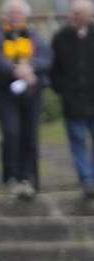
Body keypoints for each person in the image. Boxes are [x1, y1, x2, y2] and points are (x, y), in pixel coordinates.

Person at [0, 0, 51, 200]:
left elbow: (46, 58)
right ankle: (11, 177)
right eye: (12, 13)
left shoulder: (33, 34)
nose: (16, 16)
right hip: (7, 93)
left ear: (25, 16)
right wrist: (16, 70)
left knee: (30, 135)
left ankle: (29, 177)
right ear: (5, 15)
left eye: (19, 13)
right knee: (11, 133)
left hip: (31, 92)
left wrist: (29, 67)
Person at [50, 0, 94, 199]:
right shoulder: (61, 37)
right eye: (73, 13)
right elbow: (54, 70)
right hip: (72, 101)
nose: (75, 16)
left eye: (79, 13)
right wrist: (63, 90)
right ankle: (87, 180)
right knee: (77, 141)